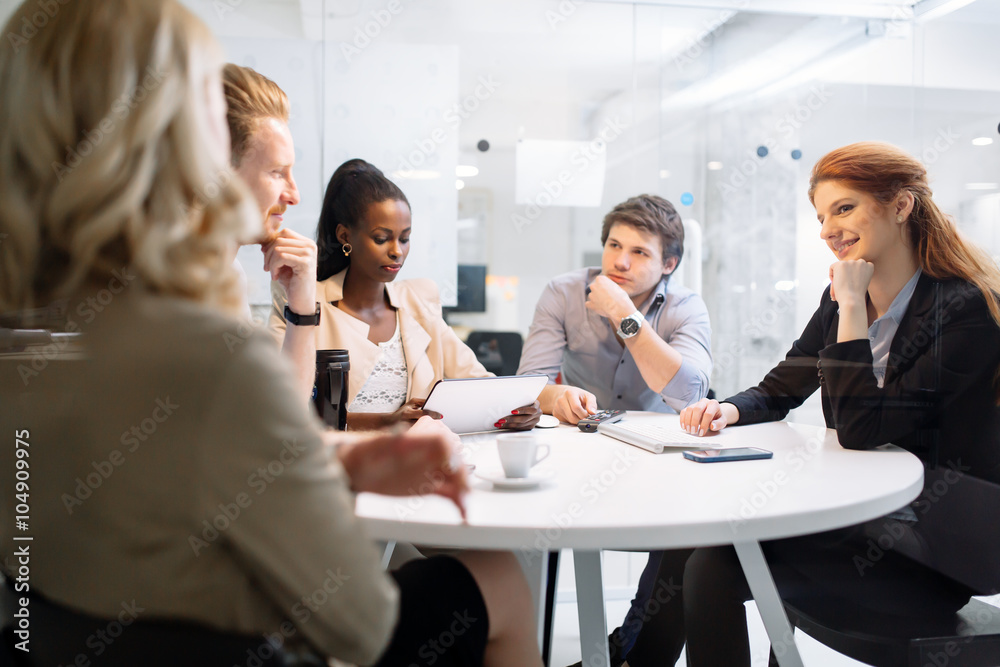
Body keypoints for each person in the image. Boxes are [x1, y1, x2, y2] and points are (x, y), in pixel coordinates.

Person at [0, 2, 544, 666]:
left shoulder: (36, 342)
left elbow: (173, 467)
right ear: (176, 144)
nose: (291, 193)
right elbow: (360, 623)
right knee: (504, 584)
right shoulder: (207, 356)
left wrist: (336, 459)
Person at [623, 141, 1000, 667]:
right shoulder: (846, 295)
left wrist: (850, 306)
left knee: (712, 564)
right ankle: (634, 662)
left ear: (901, 205)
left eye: (843, 208)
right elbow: (785, 384)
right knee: (700, 541)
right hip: (862, 521)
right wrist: (727, 409)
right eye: (821, 215)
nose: (826, 229)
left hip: (932, 548)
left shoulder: (965, 308)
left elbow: (860, 427)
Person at [517, 194, 713, 665]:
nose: (619, 261)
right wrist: (553, 396)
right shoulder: (564, 292)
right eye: (613, 245)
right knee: (524, 515)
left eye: (640, 252)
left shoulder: (687, 307)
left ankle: (632, 654)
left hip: (655, 462)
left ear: (669, 263)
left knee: (688, 532)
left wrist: (625, 315)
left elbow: (690, 393)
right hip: (577, 453)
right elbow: (528, 384)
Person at [270, 158, 542, 431]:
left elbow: (477, 381)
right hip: (336, 465)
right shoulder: (303, 302)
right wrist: (384, 422)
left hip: (415, 463)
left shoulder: (418, 300)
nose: (397, 251)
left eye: (404, 238)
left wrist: (516, 407)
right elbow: (279, 408)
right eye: (381, 238)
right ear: (345, 236)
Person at [223, 63, 317, 402]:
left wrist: (302, 305)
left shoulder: (229, 276)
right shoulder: (171, 287)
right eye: (278, 172)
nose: (294, 195)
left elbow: (283, 414)